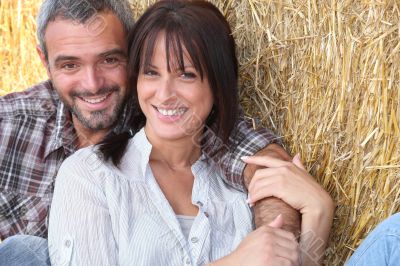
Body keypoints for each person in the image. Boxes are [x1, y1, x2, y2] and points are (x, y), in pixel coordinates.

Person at [0, 0, 333, 265]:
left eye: (109, 59)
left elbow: (257, 155)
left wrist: (317, 215)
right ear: (44, 61)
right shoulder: (69, 162)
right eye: (70, 64)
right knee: (23, 254)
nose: (92, 83)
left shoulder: (225, 179)